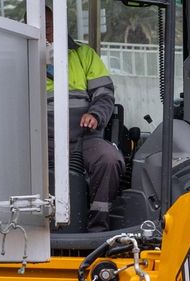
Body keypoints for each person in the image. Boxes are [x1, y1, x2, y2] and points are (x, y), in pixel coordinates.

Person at [45, 6, 124, 231]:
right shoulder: (20, 59)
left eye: (48, 27)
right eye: (38, 28)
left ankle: (97, 228)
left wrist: (95, 114)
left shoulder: (84, 55)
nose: (44, 33)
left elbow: (105, 94)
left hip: (84, 137)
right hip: (40, 139)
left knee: (109, 159)